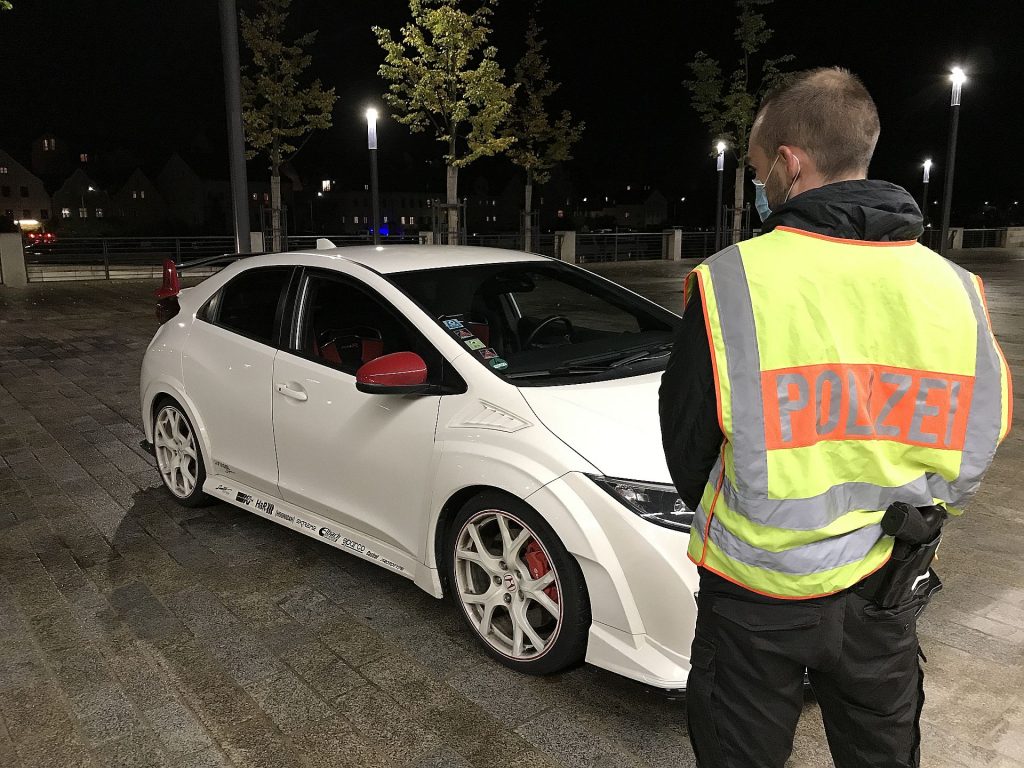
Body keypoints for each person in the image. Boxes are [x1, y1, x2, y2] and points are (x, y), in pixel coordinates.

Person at [659, 67, 1012, 768]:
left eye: (758, 172)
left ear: (790, 163)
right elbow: (981, 436)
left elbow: (688, 443)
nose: (759, 188)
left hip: (756, 595)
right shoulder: (955, 287)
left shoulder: (736, 279)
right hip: (887, 580)